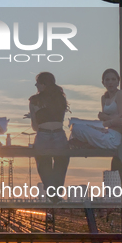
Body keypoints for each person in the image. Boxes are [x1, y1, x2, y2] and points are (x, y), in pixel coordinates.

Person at [28, 72, 71, 202]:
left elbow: (35, 127)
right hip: (59, 133)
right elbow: (61, 120)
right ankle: (56, 192)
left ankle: (52, 193)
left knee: (43, 162)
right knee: (61, 162)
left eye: (38, 83)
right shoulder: (61, 99)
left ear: (44, 84)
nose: (36, 85)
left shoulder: (34, 100)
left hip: (43, 134)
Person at [69, 68, 122, 149]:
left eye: (113, 79)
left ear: (118, 82)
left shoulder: (120, 94)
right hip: (106, 132)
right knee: (75, 126)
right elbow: (104, 122)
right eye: (107, 80)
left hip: (114, 137)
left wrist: (106, 119)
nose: (110, 82)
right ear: (103, 83)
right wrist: (100, 125)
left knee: (77, 128)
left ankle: (88, 143)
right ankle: (88, 142)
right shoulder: (104, 98)